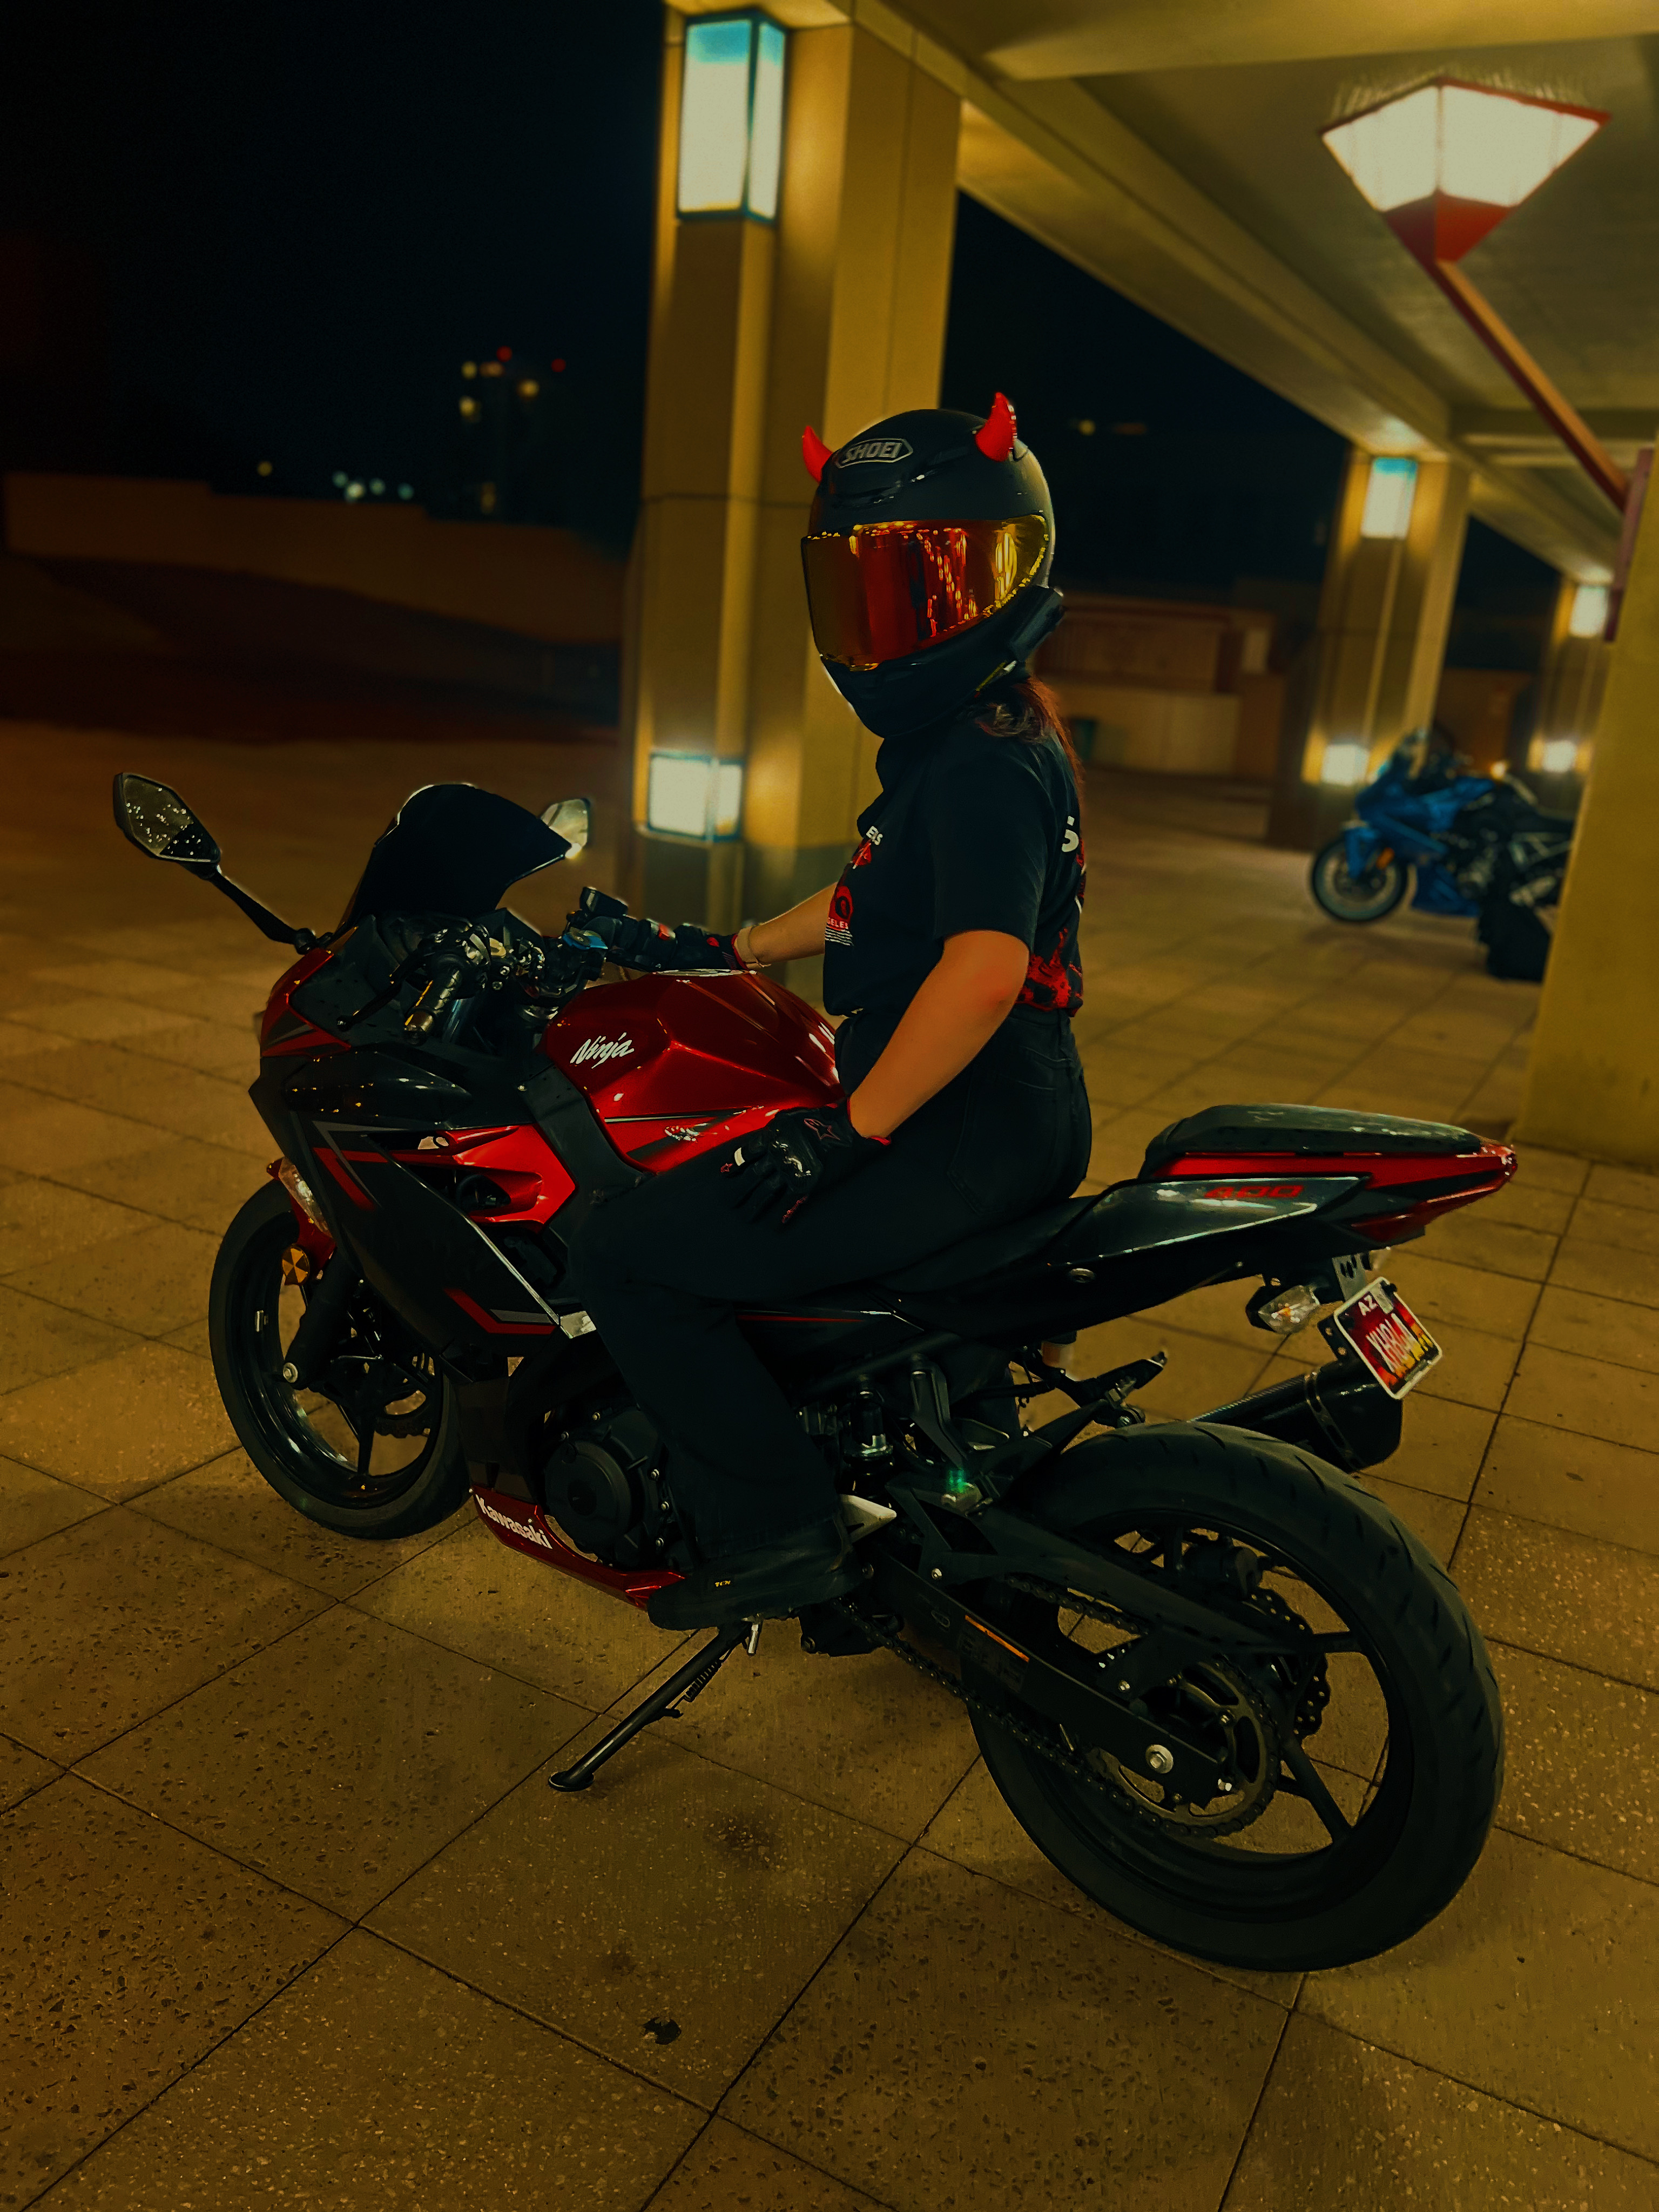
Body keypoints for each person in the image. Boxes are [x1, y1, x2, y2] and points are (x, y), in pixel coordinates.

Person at [569, 394, 1091, 1630]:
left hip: (950, 1126)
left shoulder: (978, 763)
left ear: (1010, 572)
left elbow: (981, 969)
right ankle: (962, 1523)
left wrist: (846, 1132)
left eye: (927, 588)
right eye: (870, 594)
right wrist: (730, 946)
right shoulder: (988, 735)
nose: (892, 626)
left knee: (624, 1250)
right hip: (1009, 1113)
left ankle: (779, 1530)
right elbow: (873, 894)